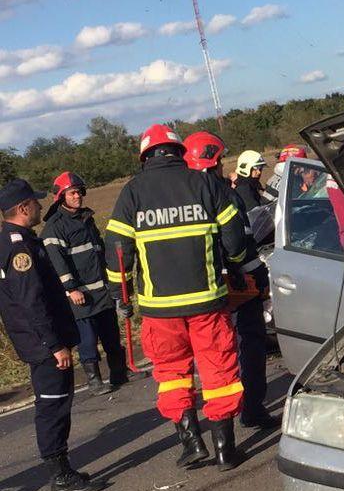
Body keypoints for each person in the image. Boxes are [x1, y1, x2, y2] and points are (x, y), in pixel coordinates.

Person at [104, 124, 260, 471]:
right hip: (207, 302)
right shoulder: (203, 183)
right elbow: (234, 239)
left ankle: (191, 443)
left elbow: (117, 250)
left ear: (146, 156)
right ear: (178, 152)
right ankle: (225, 449)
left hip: (159, 310)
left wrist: (121, 294)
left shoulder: (132, 193)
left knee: (172, 373)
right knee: (219, 371)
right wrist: (234, 267)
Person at [0, 178, 105, 491]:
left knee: (56, 403)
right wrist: (54, 345)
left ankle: (62, 469)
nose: (41, 206)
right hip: (43, 343)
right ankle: (60, 475)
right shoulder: (19, 247)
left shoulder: (12, 240)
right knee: (53, 406)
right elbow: (32, 301)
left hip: (38, 341)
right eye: (36, 202)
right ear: (22, 208)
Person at [182, 132, 277, 430]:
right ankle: (251, 408)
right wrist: (256, 276)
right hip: (237, 282)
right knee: (251, 341)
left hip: (197, 288)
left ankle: (205, 426)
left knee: (208, 354)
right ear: (214, 161)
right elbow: (241, 242)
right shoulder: (225, 193)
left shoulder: (181, 197)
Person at [40, 171, 128, 396]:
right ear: (61, 196)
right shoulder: (54, 226)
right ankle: (94, 380)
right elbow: (57, 261)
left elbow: (97, 250)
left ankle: (119, 372)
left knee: (110, 332)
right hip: (80, 294)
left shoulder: (86, 218)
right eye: (72, 193)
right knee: (87, 339)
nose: (77, 196)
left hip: (101, 288)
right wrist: (70, 289)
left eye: (79, 191)